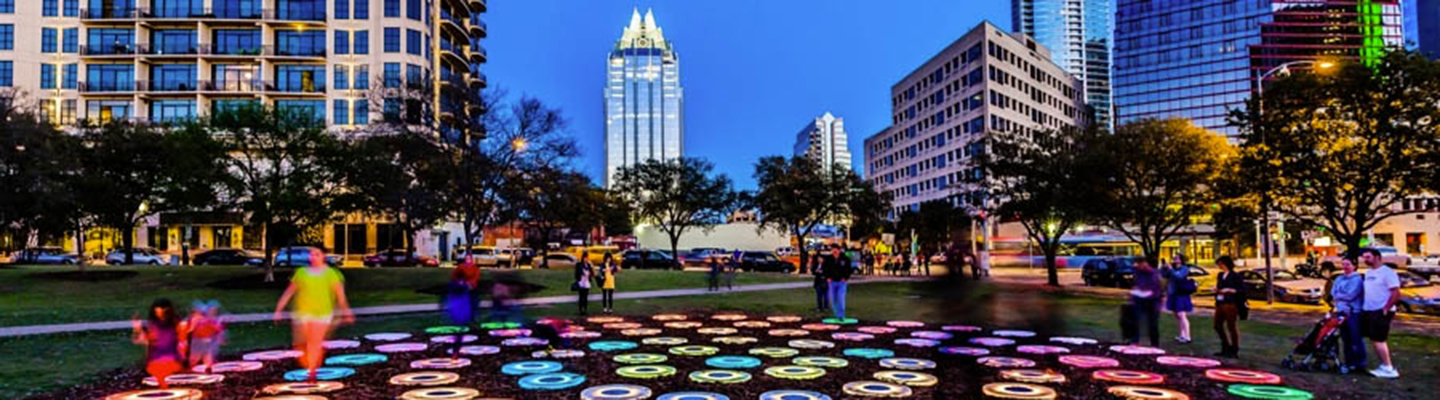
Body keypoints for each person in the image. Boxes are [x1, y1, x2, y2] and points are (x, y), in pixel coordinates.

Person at [273, 248, 354, 382]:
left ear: (323, 256)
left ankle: (312, 371)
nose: (313, 257)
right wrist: (279, 309)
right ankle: (311, 364)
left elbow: (340, 296)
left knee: (314, 342)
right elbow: (289, 292)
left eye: (317, 254)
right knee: (300, 344)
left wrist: (346, 312)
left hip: (322, 314)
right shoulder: (301, 273)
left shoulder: (332, 274)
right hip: (302, 313)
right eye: (311, 254)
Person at [1360, 249, 1402, 379]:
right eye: (1364, 257)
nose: (1365, 260)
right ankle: (1384, 366)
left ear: (1377, 257)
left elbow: (1396, 293)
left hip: (1381, 311)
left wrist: (1386, 308)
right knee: (1374, 339)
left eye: (1368, 257)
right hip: (1369, 310)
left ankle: (1389, 368)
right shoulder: (1368, 273)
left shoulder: (1387, 273)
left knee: (1379, 339)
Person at [132, 299, 183, 388]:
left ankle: (164, 386)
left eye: (162, 312)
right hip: (157, 356)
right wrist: (137, 328)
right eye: (157, 312)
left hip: (169, 355)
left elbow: (179, 337)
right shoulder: (153, 324)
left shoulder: (174, 324)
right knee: (157, 371)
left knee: (163, 370)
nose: (159, 315)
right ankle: (164, 386)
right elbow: (142, 340)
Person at [1329, 256, 1366, 374]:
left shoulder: (1357, 279)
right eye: (1343, 264)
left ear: (1354, 266)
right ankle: (1348, 361)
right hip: (1340, 311)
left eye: (1348, 264)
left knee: (1355, 337)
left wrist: (1339, 296)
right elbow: (1332, 293)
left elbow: (1351, 295)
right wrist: (1338, 296)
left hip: (1353, 312)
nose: (1345, 267)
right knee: (1345, 338)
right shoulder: (1339, 278)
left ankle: (1359, 363)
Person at [444, 256, 479, 358]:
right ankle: (455, 350)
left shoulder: (454, 285)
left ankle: (455, 351)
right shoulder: (462, 286)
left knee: (459, 331)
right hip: (461, 311)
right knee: (459, 331)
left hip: (457, 310)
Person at [1123, 258, 1164, 347]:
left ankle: (1155, 344)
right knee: (1135, 321)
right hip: (1139, 300)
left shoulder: (1154, 274)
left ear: (1145, 263)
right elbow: (1137, 284)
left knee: (1152, 323)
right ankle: (1134, 341)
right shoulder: (1137, 272)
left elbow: (1157, 289)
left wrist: (1148, 293)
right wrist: (1134, 294)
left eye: (1139, 264)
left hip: (1153, 302)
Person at [1212, 256, 1245, 358]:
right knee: (1217, 325)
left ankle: (1234, 349)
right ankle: (1225, 345)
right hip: (1220, 302)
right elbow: (1219, 287)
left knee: (1231, 326)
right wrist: (1217, 291)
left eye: (1221, 264)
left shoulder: (1235, 276)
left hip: (1231, 303)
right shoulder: (1220, 275)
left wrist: (1230, 290)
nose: (1220, 266)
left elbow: (1242, 290)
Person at [1162, 253, 1195, 344]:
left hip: (1181, 293)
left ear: (1181, 260)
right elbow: (1164, 275)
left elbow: (1179, 277)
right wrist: (1164, 267)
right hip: (1173, 293)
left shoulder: (1184, 268)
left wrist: (1170, 269)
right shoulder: (1173, 268)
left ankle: (1187, 336)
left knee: (1182, 315)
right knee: (1177, 315)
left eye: (1176, 258)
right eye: (1174, 258)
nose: (1174, 259)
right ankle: (1182, 335)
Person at [184, 300, 225, 374]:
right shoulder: (195, 319)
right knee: (196, 356)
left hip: (205, 340)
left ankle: (208, 368)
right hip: (198, 340)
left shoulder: (209, 320)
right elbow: (190, 329)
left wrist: (220, 337)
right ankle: (192, 368)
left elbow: (217, 328)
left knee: (207, 356)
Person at [826, 248, 854, 320]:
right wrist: (827, 277)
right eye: (833, 250)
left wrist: (845, 277)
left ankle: (841, 315)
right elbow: (825, 268)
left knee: (841, 298)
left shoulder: (845, 259)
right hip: (832, 281)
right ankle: (836, 314)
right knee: (833, 298)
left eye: (836, 250)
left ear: (839, 250)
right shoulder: (828, 259)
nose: (834, 251)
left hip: (841, 282)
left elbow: (849, 269)